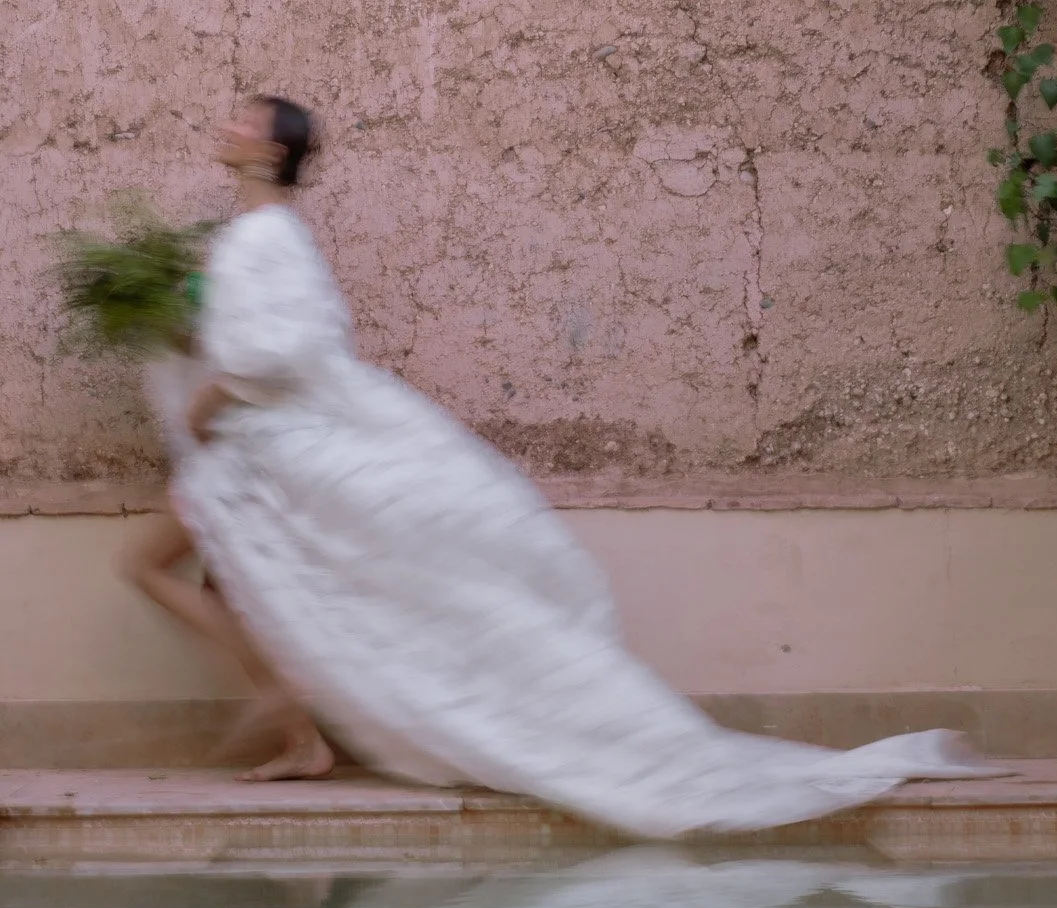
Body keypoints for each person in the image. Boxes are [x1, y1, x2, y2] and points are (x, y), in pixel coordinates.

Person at [124, 94, 999, 834]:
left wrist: (211, 394)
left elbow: (288, 350)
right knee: (233, 582)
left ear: (270, 148)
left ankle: (292, 726)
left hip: (267, 449)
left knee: (174, 570)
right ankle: (298, 734)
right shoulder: (251, 234)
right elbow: (262, 338)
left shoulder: (265, 236)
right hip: (260, 449)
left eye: (243, 122)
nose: (228, 129)